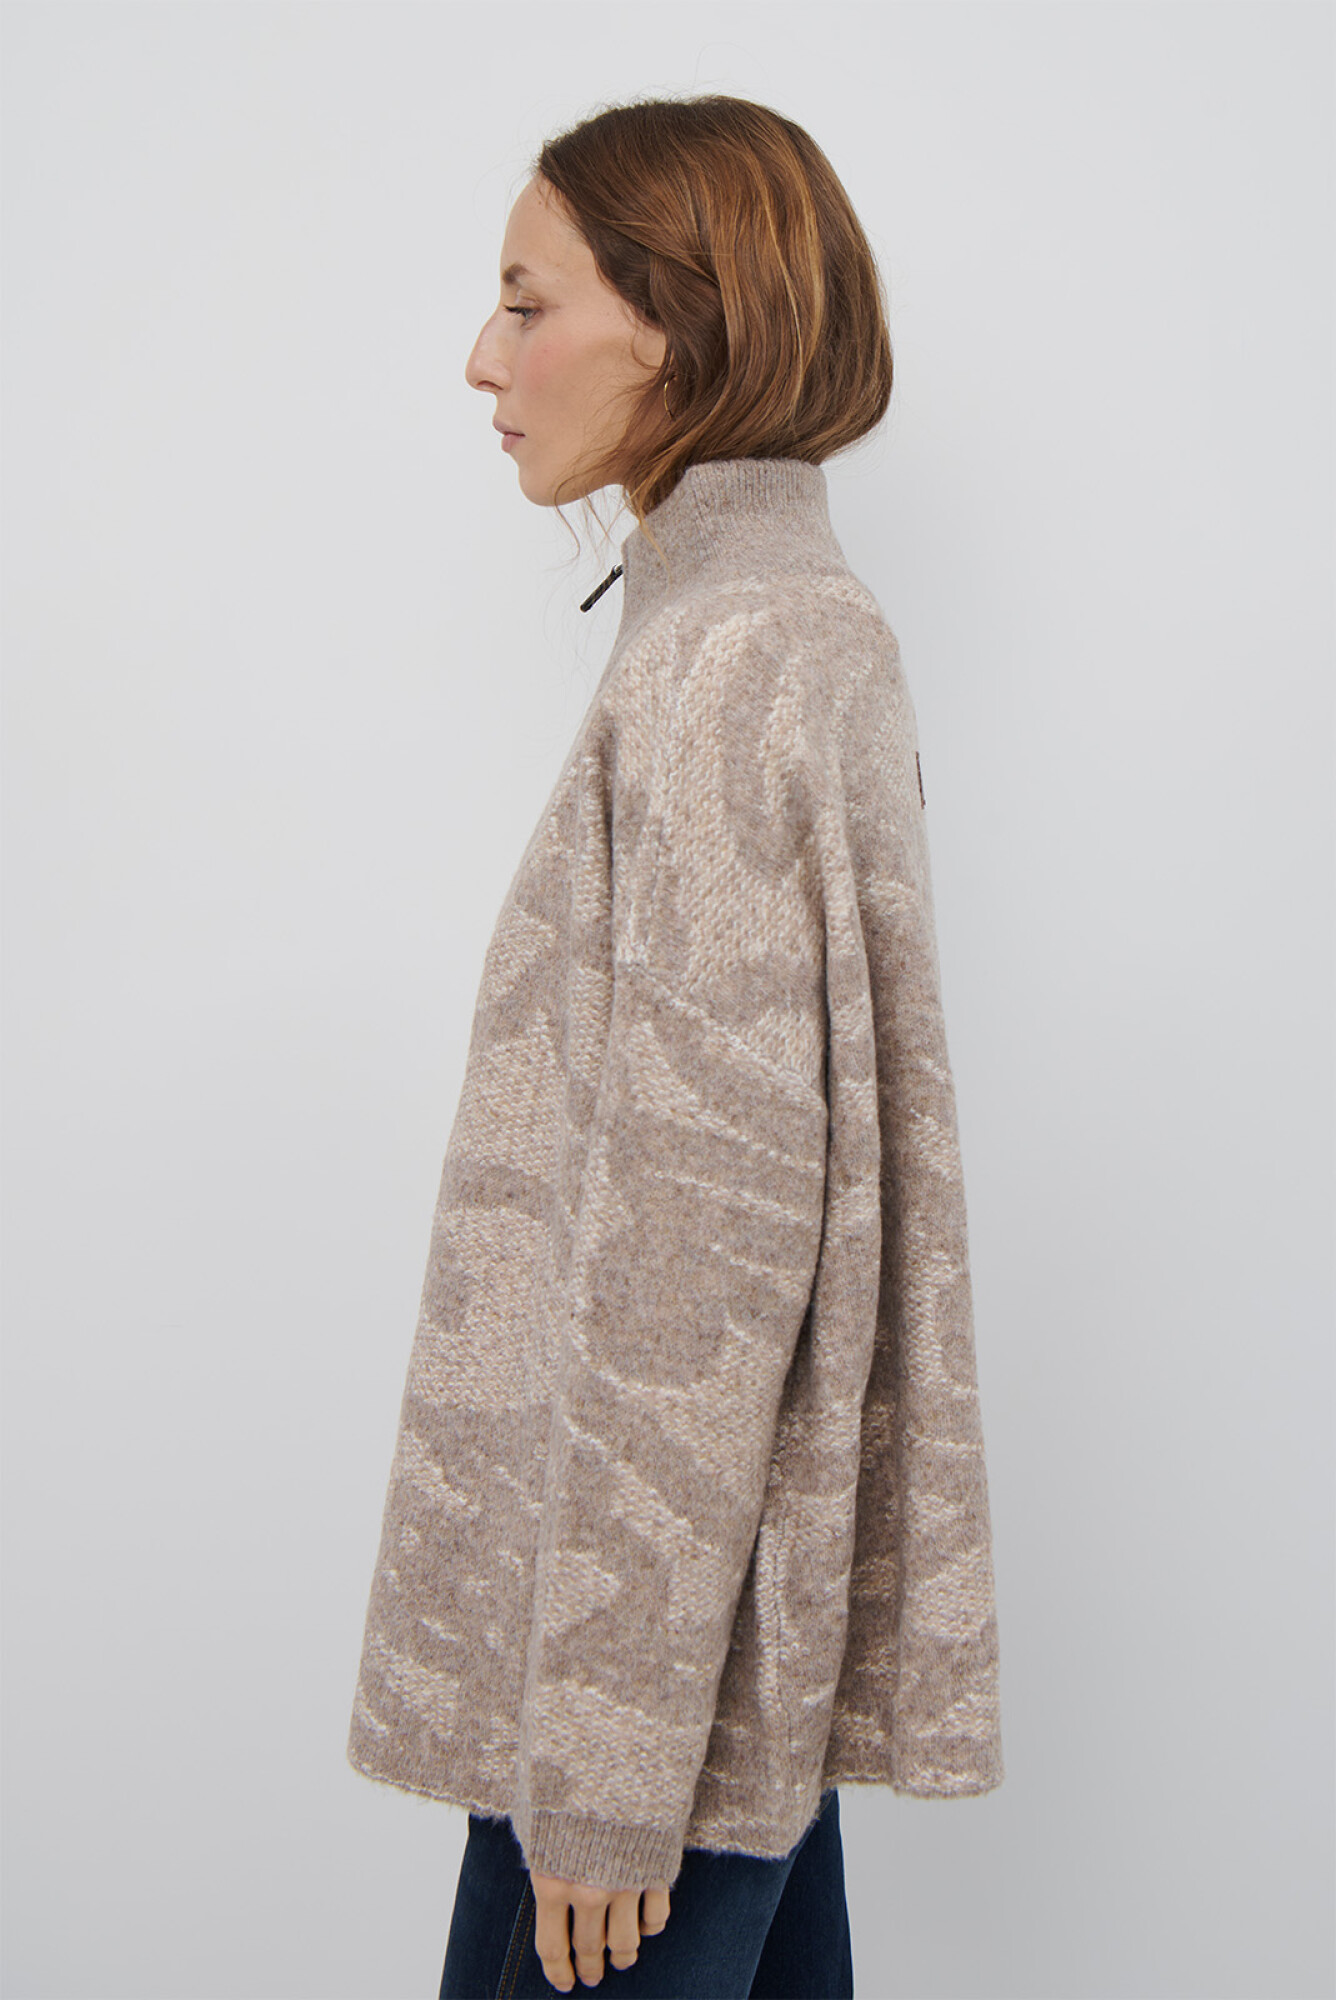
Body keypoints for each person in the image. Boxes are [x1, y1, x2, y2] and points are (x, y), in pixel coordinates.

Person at [346, 94, 1004, 2000]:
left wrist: (609, 1773)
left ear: (683, 326)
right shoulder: (775, 627)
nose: (484, 358)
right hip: (717, 1661)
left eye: (526, 300)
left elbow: (701, 1254)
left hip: (640, 1702)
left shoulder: (732, 664)